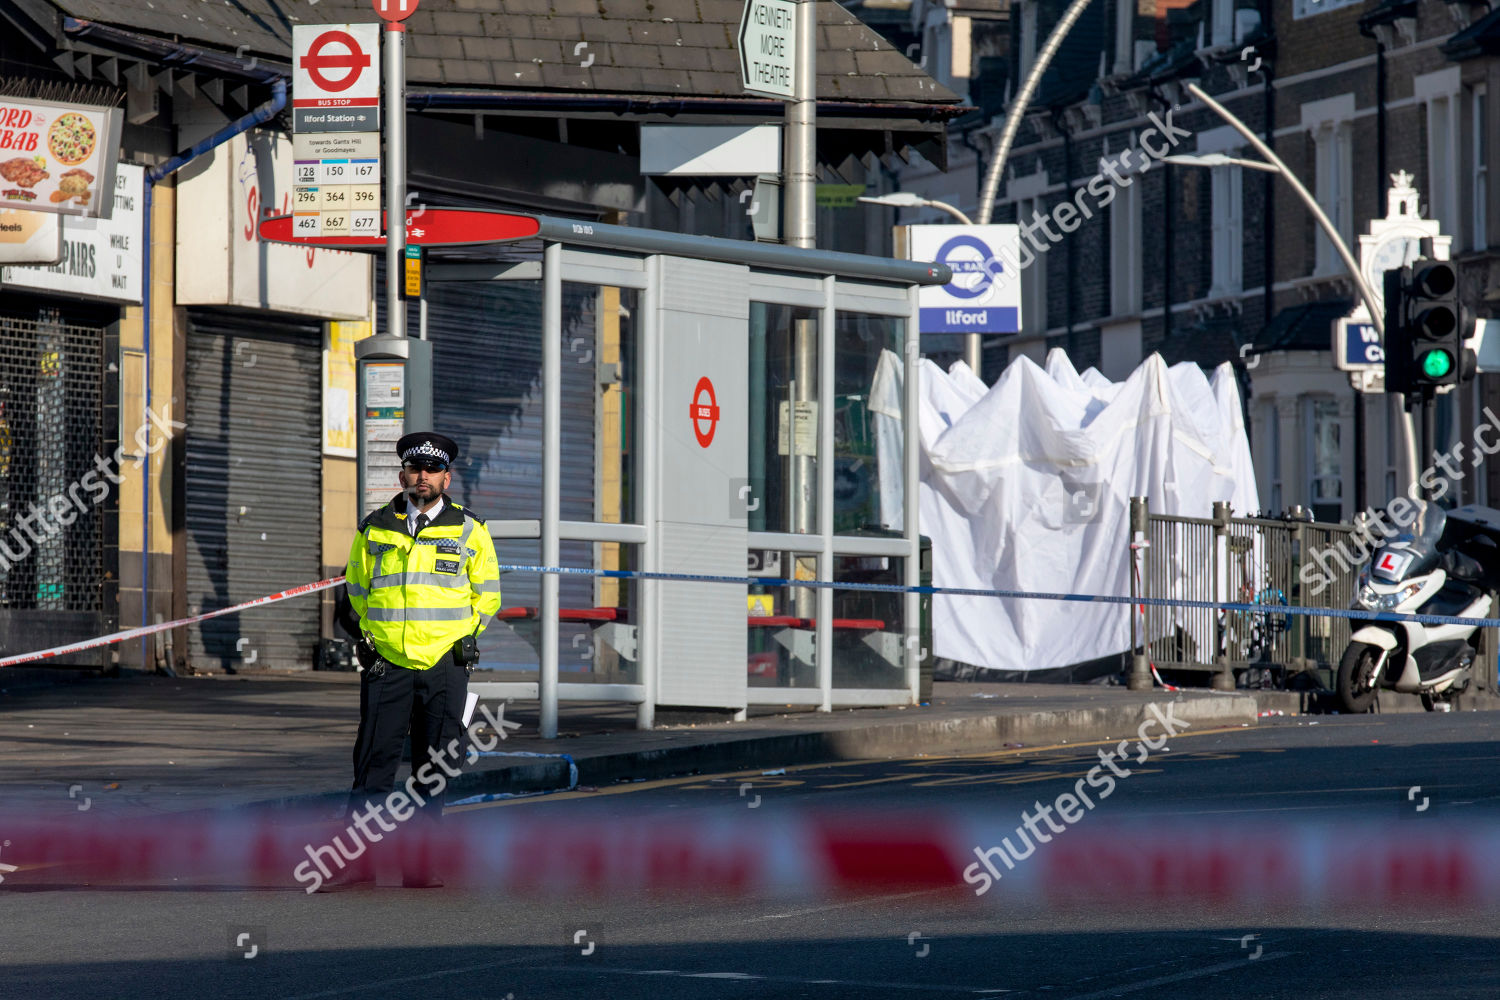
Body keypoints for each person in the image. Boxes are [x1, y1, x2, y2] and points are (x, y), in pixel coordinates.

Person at [321, 431, 503, 890]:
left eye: (431, 470)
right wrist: (371, 638)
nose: (422, 477)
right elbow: (357, 591)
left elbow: (489, 595)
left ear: (447, 476)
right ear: (403, 474)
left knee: (434, 766)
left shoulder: (469, 529)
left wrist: (465, 638)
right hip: (388, 663)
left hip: (444, 664)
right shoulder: (375, 527)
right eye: (414, 469)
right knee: (373, 766)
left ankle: (421, 865)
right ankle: (357, 865)